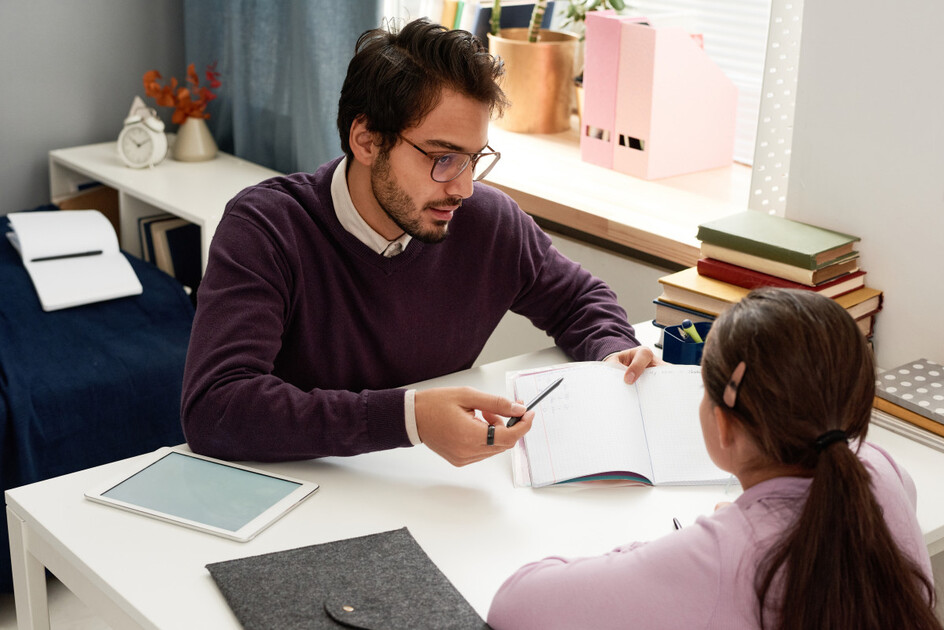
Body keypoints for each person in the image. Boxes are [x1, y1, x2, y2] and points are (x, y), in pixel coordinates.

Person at [180, 18, 655, 467]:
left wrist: (613, 352)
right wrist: (410, 419)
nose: (464, 188)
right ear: (366, 141)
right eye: (443, 157)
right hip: (301, 492)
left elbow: (578, 300)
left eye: (474, 158)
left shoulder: (486, 222)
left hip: (431, 491)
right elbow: (215, 408)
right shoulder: (266, 228)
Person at [488, 288, 942, 630]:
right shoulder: (881, 469)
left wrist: (677, 554)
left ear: (724, 424)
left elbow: (514, 606)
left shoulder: (722, 559)